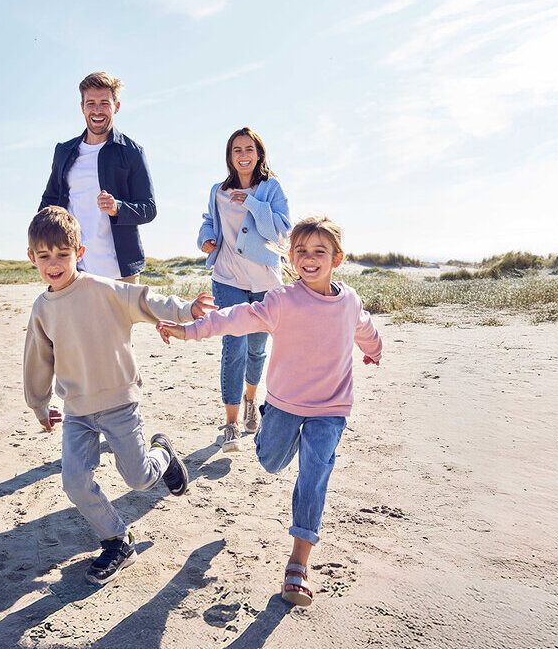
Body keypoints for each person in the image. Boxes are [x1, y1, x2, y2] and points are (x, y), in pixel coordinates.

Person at [157, 216, 382, 607]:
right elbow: (234, 319)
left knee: (314, 478)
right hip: (284, 404)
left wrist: (373, 351)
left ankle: (298, 567)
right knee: (272, 461)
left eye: (319, 251)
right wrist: (189, 330)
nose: (309, 258)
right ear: (291, 258)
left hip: (331, 409)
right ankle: (261, 430)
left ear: (337, 259)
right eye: (301, 251)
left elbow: (364, 327)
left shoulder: (349, 301)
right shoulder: (282, 300)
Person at [21, 205, 212, 585]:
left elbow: (145, 300)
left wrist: (187, 310)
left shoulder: (102, 289)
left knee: (139, 480)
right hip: (76, 410)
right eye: (44, 256)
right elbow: (38, 358)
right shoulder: (42, 307)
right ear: (32, 258)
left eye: (63, 254)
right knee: (74, 481)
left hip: (120, 404)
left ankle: (164, 455)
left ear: (80, 252)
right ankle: (117, 540)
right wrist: (39, 403)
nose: (54, 263)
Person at [195, 127, 291, 452]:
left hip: (265, 283)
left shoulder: (271, 187)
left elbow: (282, 229)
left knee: (256, 350)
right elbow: (210, 220)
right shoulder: (218, 191)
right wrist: (205, 238)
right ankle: (231, 424)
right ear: (230, 156)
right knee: (233, 348)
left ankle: (252, 401)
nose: (243, 155)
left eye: (249, 149)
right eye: (237, 150)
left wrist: (252, 203)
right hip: (227, 278)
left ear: (259, 154)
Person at [40, 72, 157, 283]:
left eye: (104, 103)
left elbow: (149, 208)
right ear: (82, 107)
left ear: (116, 107)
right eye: (90, 103)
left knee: (122, 319)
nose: (97, 110)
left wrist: (117, 208)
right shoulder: (64, 152)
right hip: (74, 269)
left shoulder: (132, 152)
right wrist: (39, 240)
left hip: (121, 272)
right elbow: (49, 202)